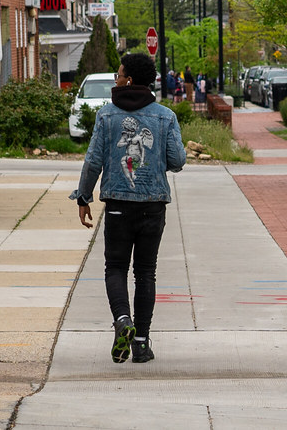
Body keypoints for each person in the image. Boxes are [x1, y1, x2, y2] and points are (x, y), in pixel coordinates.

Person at [70, 53, 186, 364]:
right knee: (146, 272)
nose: (116, 80)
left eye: (119, 75)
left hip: (119, 206)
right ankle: (141, 343)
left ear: (130, 80)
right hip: (153, 205)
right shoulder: (165, 117)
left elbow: (93, 161)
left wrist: (83, 197)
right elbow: (177, 161)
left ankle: (122, 320)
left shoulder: (107, 116)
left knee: (116, 268)